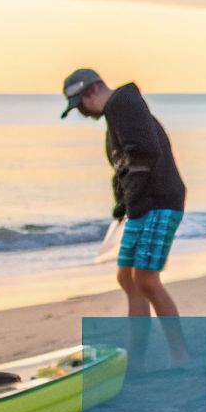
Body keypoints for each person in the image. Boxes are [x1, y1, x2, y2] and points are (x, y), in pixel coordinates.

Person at [61, 68, 190, 365]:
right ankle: (137, 359)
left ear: (91, 91)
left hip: (158, 203)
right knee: (127, 279)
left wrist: (133, 202)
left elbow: (144, 154)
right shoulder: (115, 113)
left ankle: (181, 356)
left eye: (80, 105)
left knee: (145, 280)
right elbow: (125, 166)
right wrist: (122, 206)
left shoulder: (123, 102)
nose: (82, 113)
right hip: (142, 206)